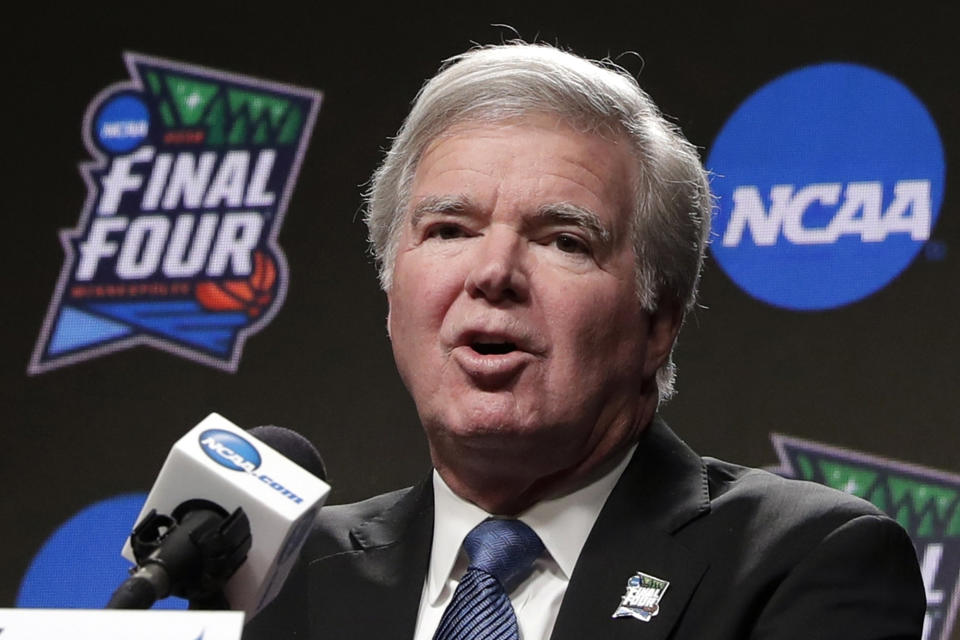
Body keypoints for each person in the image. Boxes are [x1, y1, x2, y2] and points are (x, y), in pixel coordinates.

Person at [245, 43, 925, 639]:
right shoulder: (281, 579)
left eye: (564, 241)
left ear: (659, 324)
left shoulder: (801, 563)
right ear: (394, 293)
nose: (493, 274)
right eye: (450, 229)